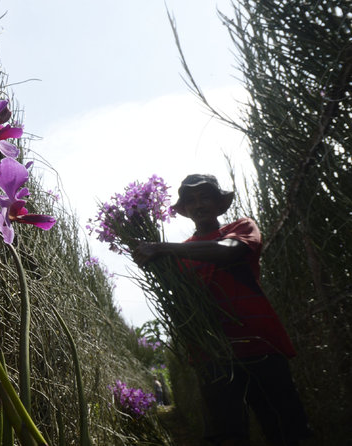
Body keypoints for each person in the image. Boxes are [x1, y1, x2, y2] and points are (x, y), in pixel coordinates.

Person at [131, 174, 311, 446]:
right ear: (185, 211)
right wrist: (150, 257)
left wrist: (161, 248)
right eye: (190, 201)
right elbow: (179, 300)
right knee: (226, 435)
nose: (198, 204)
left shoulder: (241, 227)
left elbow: (230, 251)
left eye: (205, 197)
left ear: (219, 204)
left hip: (260, 347)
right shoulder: (179, 254)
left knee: (286, 429)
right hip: (211, 356)